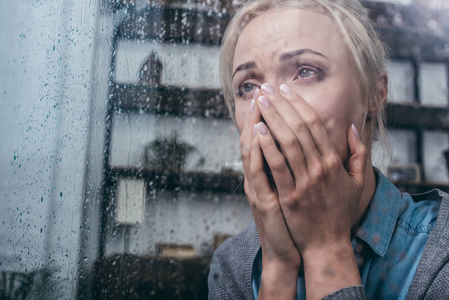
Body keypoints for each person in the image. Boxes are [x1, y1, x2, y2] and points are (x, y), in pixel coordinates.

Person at [208, 0, 449, 299]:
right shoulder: (233, 266)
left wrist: (326, 249)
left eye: (306, 71)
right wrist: (277, 268)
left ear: (375, 94)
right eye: (248, 87)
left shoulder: (440, 252)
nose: (268, 108)